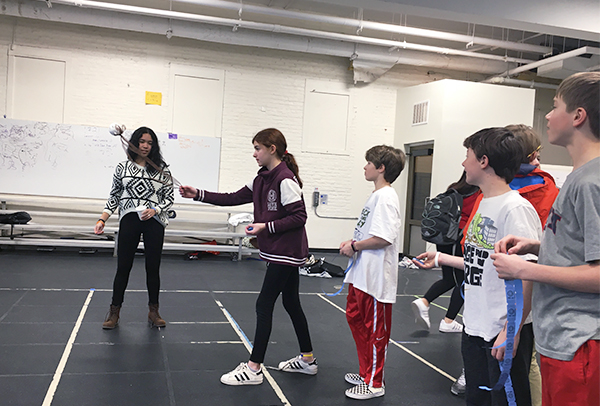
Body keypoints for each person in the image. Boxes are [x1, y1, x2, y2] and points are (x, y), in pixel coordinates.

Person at [492, 72, 600, 406]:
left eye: (555, 107)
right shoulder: (577, 177)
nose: (549, 116)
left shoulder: (591, 182)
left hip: (580, 342)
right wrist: (537, 246)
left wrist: (524, 269)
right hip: (560, 338)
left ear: (578, 116)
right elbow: (581, 248)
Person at [413, 127, 542, 406]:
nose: (463, 163)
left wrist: (512, 330)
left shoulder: (515, 208)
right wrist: (441, 258)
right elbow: (481, 262)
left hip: (501, 330)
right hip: (475, 328)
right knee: (478, 400)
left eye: (467, 156)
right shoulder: (484, 202)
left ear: (484, 161)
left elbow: (528, 274)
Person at [179, 128, 316, 386]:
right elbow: (231, 198)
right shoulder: (261, 178)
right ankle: (308, 360)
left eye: (257, 148)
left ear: (272, 149)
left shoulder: (285, 179)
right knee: (291, 304)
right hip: (279, 251)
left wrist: (266, 227)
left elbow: (300, 217)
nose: (254, 154)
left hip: (285, 252)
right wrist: (197, 193)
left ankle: (253, 368)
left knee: (264, 305)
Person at [339, 145, 405, 400]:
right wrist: (353, 244)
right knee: (356, 320)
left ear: (381, 168)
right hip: (361, 274)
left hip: (376, 278)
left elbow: (384, 238)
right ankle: (366, 372)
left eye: (369, 163)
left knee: (376, 331)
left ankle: (375, 383)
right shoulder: (376, 196)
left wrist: (355, 246)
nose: (364, 167)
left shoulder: (387, 197)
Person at [95, 126, 174, 329]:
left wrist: (155, 209)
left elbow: (169, 198)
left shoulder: (161, 169)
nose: (145, 146)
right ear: (134, 143)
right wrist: (102, 219)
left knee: (153, 268)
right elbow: (114, 196)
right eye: (142, 141)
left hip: (154, 222)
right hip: (129, 218)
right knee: (123, 267)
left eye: (150, 142)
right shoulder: (122, 168)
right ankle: (114, 312)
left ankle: (153, 311)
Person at [411, 171, 480, 334]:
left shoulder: (454, 189)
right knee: (464, 281)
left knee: (449, 278)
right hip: (460, 239)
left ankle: (425, 302)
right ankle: (448, 320)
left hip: (444, 239)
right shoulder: (479, 193)